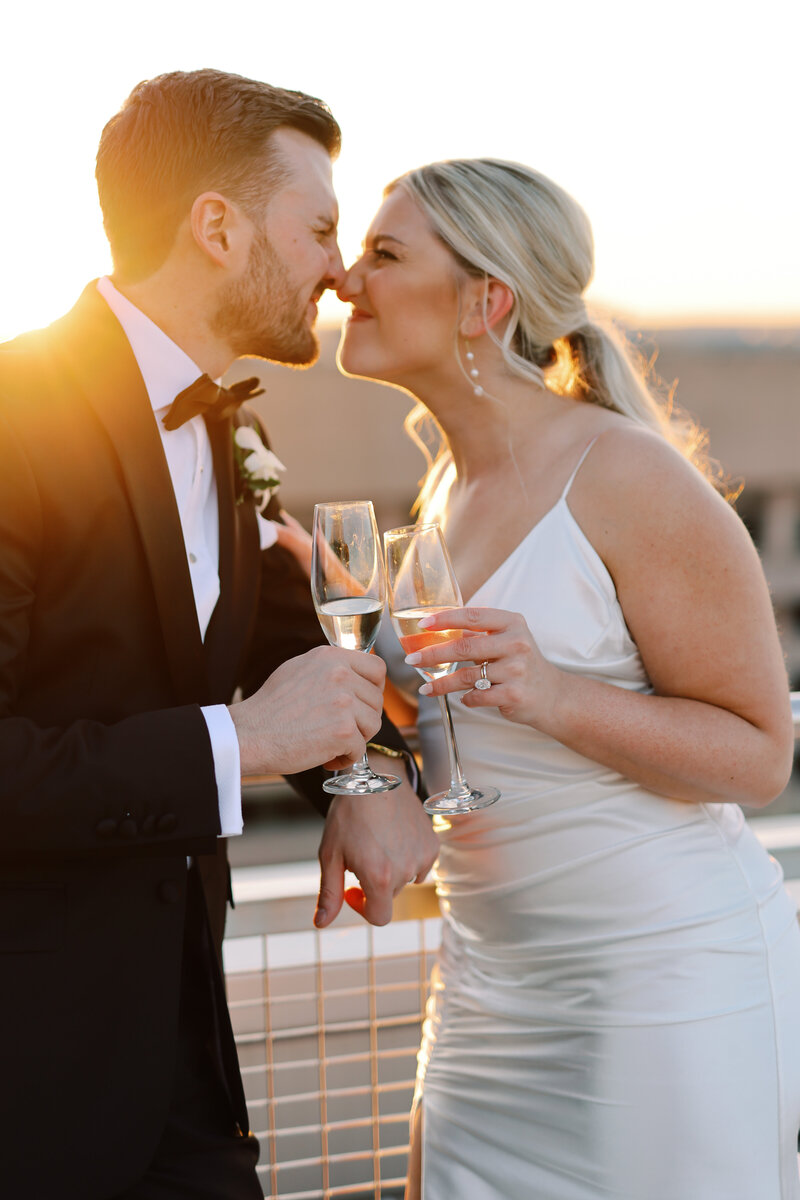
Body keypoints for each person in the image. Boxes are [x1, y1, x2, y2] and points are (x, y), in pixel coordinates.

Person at [0, 69, 437, 1200]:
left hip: (181, 1059)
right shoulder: (14, 416)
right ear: (215, 227)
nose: (340, 272)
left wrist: (363, 779)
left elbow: (288, 655)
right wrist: (238, 747)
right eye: (322, 230)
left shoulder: (228, 428)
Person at [335, 159, 800, 1199]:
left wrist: (554, 694)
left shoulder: (623, 474)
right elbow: (464, 719)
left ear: (483, 301)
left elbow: (759, 754)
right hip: (486, 991)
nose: (344, 281)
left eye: (383, 254)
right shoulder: (449, 482)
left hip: (661, 994)